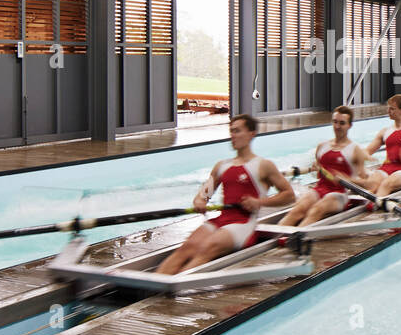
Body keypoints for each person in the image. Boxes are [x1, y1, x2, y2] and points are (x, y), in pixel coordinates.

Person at [158, 114, 295, 274]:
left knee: (208, 247)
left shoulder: (263, 165)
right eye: (231, 131)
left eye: (237, 131)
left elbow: (289, 195)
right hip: (221, 220)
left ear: (252, 134)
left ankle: (172, 289)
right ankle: (153, 285)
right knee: (187, 247)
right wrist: (200, 202)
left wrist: (259, 203)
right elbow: (204, 194)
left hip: (243, 224)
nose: (233, 135)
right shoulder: (221, 166)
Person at [281, 106, 369, 227]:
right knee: (296, 210)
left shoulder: (355, 150)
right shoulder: (322, 147)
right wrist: (316, 168)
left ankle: (293, 241)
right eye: (335, 122)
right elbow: (318, 174)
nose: (337, 126)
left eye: (342, 123)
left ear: (350, 125)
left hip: (340, 194)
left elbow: (367, 184)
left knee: (315, 210)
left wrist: (347, 179)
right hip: (320, 189)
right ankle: (278, 237)